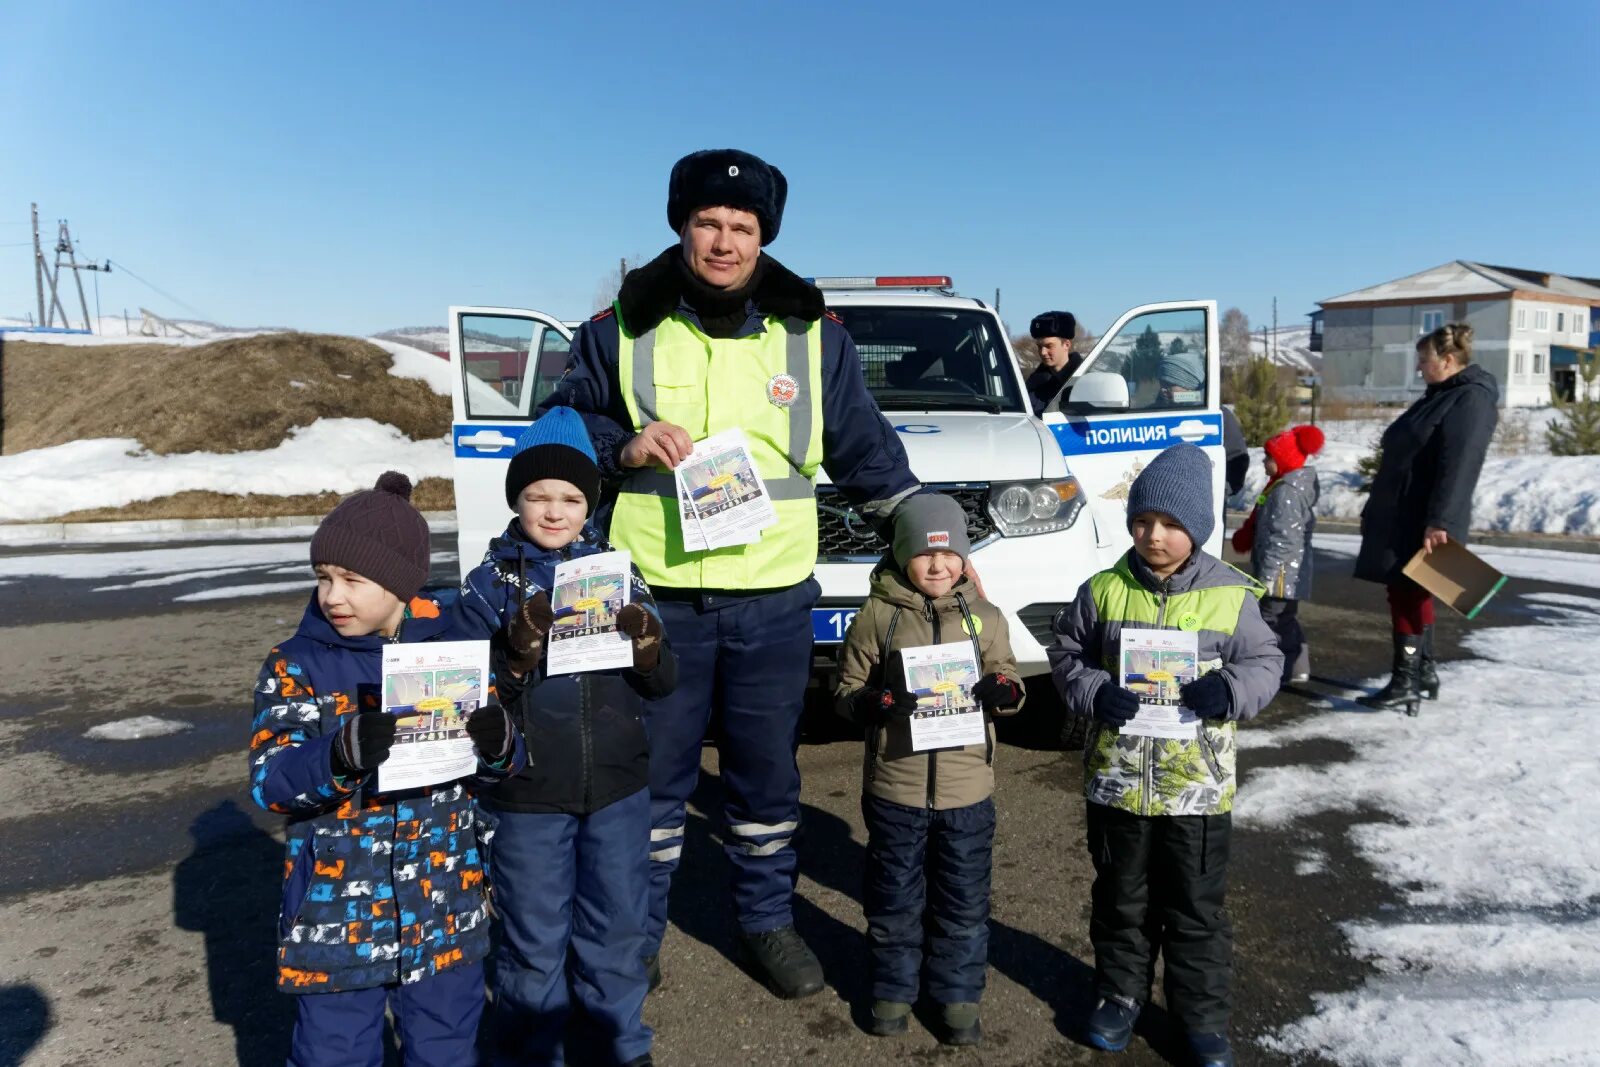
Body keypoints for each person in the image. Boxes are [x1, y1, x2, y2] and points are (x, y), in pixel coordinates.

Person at [537, 148, 922, 999]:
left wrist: (924, 526)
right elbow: (559, 426)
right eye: (707, 223)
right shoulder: (616, 330)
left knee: (765, 777)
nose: (723, 241)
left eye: (741, 227)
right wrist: (622, 445)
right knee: (652, 777)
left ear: (763, 237)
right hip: (654, 599)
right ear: (680, 227)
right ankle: (633, 933)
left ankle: (765, 921)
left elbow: (864, 447)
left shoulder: (813, 337)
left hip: (774, 601)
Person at [248, 472, 526, 1067]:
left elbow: (498, 769)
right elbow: (271, 779)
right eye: (324, 578)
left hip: (444, 905)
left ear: (401, 586)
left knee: (447, 1048)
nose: (333, 596)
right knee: (334, 1055)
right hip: (336, 915)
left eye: (353, 580)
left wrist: (500, 742)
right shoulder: (297, 665)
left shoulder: (450, 656)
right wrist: (337, 755)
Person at [449, 408, 676, 1067]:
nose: (554, 511)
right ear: (517, 499)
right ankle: (530, 1052)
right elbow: (462, 702)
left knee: (617, 928)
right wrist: (511, 659)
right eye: (537, 496)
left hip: (617, 790)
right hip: (525, 796)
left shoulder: (620, 573)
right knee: (533, 939)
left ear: (590, 503)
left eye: (571, 498)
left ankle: (620, 1047)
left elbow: (665, 683)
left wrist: (649, 648)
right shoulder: (487, 587)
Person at [1048, 443, 1282, 1067]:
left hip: (1196, 791)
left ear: (1198, 531)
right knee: (1120, 897)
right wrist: (1094, 691)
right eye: (1145, 521)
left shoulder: (1233, 596)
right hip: (1118, 784)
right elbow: (1066, 655)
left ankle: (1200, 1016)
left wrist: (1229, 688)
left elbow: (1266, 662)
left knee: (1194, 907)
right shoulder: (1101, 591)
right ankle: (1120, 995)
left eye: (1173, 525)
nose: (1155, 536)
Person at [833, 494, 1024, 1046]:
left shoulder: (985, 617)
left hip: (968, 792)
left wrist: (1003, 691)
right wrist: (869, 704)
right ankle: (893, 988)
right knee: (893, 896)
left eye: (948, 555)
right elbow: (846, 688)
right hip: (896, 787)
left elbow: (1011, 682)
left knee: (963, 900)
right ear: (900, 556)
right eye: (922, 555)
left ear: (965, 558)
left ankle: (957, 995)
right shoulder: (878, 616)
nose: (937, 566)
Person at [1355, 323, 1497, 715]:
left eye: (1424, 360)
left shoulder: (1470, 399)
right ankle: (1424, 672)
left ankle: (1406, 680)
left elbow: (1461, 465)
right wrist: (1373, 507)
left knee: (1407, 594)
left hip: (1424, 518)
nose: (1419, 367)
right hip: (1402, 511)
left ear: (1448, 360)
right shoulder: (1439, 395)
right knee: (1409, 592)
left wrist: (1442, 521)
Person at [1231, 425, 1325, 684]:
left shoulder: (1286, 492)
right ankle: (1297, 666)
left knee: (1271, 619)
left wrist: (1269, 575)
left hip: (1282, 573)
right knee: (1284, 618)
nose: (1264, 461)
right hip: (1287, 571)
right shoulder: (1278, 487)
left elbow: (1284, 539)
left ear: (1284, 459)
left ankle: (1278, 670)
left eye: (1269, 457)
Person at [1025, 310, 1083, 415]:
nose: (1043, 352)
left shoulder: (1084, 383)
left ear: (1066, 345)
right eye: (1039, 346)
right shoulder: (1033, 387)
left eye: (1049, 346)